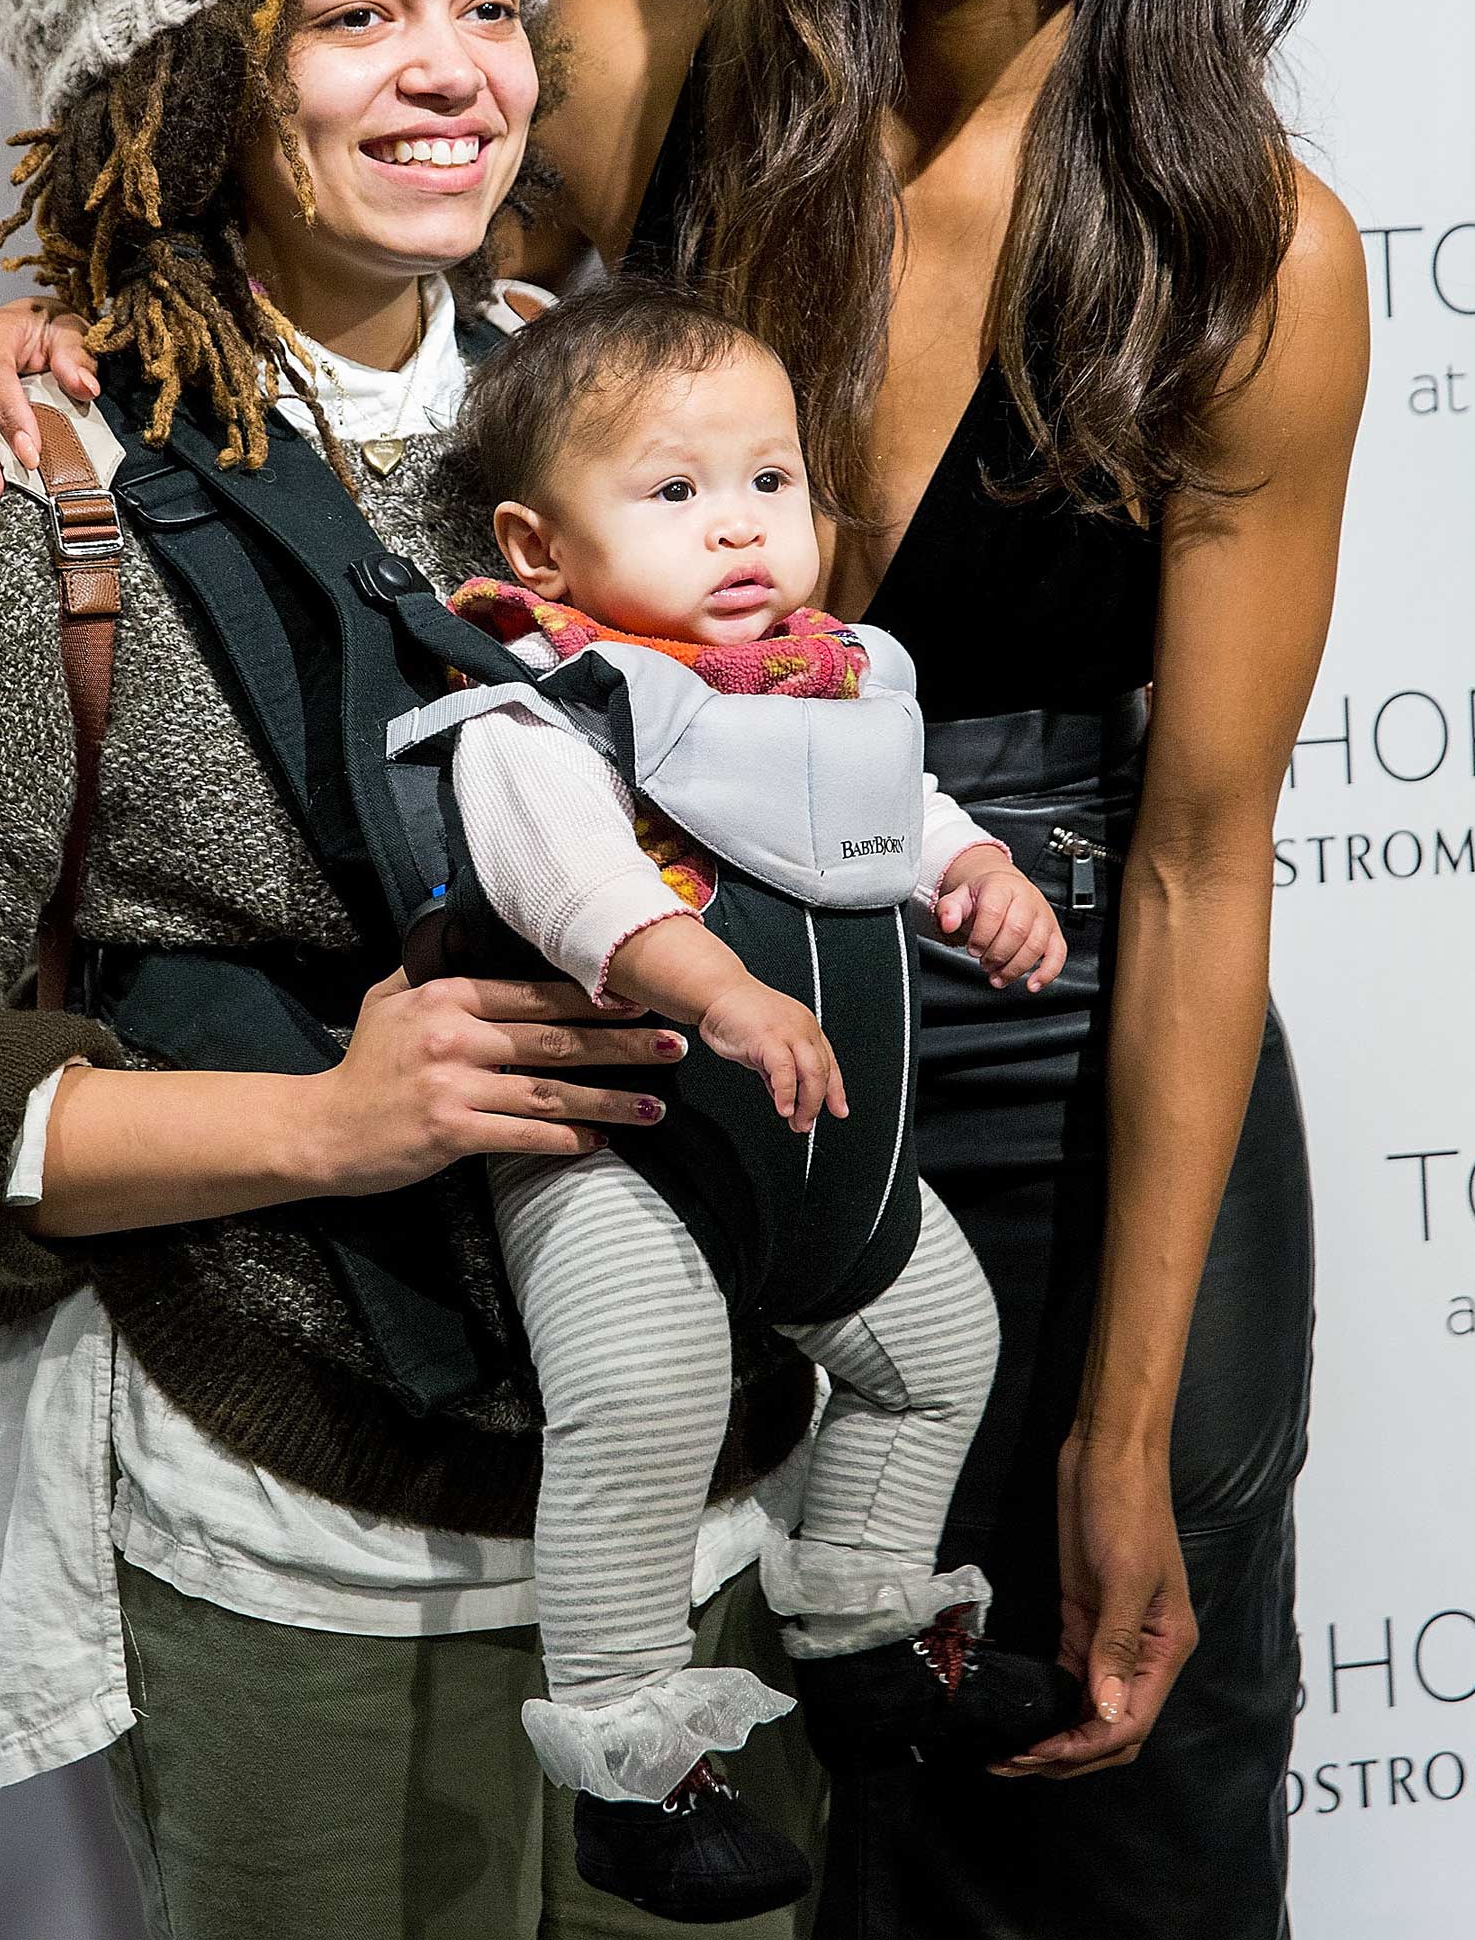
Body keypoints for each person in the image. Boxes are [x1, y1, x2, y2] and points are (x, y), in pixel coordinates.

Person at [0, 0, 1371, 1939]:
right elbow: (330, 272)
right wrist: (52, 316)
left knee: (1115, 1763)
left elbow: (1212, 856)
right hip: (647, 967)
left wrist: (1125, 1419)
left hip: (1040, 1002)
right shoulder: (634, 74)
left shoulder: (1254, 248)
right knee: (776, 1793)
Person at [0, 0, 827, 1940]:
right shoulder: (34, 491)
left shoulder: (634, 403)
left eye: (487, 2)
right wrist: (330, 1128)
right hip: (303, 1529)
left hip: (695, 1499)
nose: (455, 70)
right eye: (353, 14)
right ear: (181, 82)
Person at [422, 277, 1069, 1920]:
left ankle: (863, 1637)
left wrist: (982, 871)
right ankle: (644, 1778)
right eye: (675, 491)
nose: (740, 531)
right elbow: (578, 893)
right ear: (541, 546)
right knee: (643, 1402)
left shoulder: (829, 687)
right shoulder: (539, 711)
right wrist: (718, 989)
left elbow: (898, 813)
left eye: (769, 481)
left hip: (831, 1169)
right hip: (631, 1161)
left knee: (942, 1352)